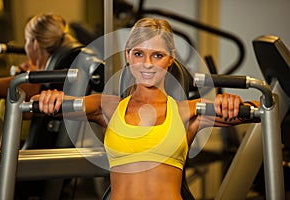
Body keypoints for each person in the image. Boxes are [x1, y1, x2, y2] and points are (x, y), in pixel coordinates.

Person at [35, 17, 259, 200]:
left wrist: (232, 103)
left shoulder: (188, 111)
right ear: (128, 55)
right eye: (139, 54)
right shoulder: (108, 107)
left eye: (157, 55)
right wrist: (50, 97)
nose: (147, 64)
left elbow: (261, 107)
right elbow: (40, 104)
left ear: (170, 58)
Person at [0, 12, 84, 149]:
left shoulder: (34, 83)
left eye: (26, 41)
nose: (25, 47)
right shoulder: (42, 75)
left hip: (24, 159)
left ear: (34, 43)